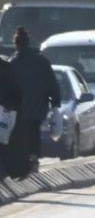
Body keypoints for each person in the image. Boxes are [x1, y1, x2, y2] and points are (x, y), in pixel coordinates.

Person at [8, 26, 60, 179]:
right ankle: (33, 157)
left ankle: (23, 163)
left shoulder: (12, 63)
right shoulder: (41, 61)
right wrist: (55, 103)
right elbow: (52, 84)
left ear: (16, 44)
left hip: (18, 109)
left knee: (18, 135)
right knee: (33, 132)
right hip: (38, 108)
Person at [0, 57, 21, 178]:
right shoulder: (7, 67)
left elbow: (16, 92)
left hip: (4, 112)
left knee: (3, 141)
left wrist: (9, 106)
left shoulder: (7, 68)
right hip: (6, 110)